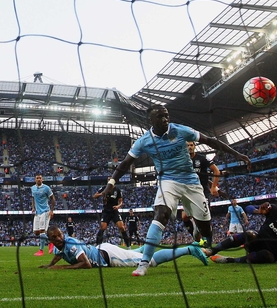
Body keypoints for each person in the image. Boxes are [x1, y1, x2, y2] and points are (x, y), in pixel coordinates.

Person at [103, 104, 251, 276]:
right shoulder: (144, 141)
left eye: (166, 115)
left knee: (205, 229)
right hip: (167, 181)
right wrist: (111, 184)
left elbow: (210, 141)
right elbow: (125, 164)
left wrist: (237, 155)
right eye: (160, 117)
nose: (165, 119)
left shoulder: (181, 131)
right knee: (161, 215)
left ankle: (201, 235)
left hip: (191, 182)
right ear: (150, 120)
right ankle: (143, 264)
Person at [39, 225, 208, 269]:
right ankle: (145, 247)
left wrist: (60, 268)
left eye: (60, 234)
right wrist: (50, 264)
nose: (59, 238)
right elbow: (59, 254)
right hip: (104, 249)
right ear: (51, 240)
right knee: (135, 253)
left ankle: (189, 249)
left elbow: (86, 264)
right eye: (55, 237)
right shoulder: (59, 246)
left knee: (149, 262)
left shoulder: (71, 244)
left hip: (109, 257)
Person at [181, 141, 221, 243]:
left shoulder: (202, 158)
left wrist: (213, 187)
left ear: (194, 146)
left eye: (191, 145)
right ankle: (197, 237)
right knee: (185, 217)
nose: (189, 147)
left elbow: (216, 171)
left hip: (202, 192)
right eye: (187, 145)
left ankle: (209, 244)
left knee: (205, 222)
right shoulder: (181, 160)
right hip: (188, 193)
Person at [31, 174, 55, 256]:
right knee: (36, 232)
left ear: (42, 180)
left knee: (42, 231)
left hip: (45, 211)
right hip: (37, 212)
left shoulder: (46, 188)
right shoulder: (33, 188)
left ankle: (41, 250)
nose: (38, 179)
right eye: (37, 178)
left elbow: (53, 199)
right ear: (35, 180)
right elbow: (33, 198)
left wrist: (51, 210)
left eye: (40, 178)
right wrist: (33, 207)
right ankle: (51, 241)